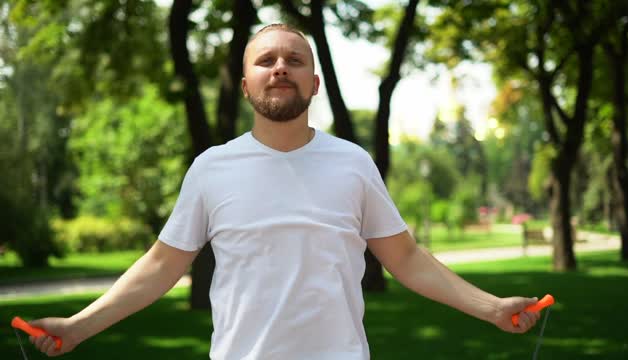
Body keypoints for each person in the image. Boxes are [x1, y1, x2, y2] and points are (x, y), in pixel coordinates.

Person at [28, 24, 540, 359]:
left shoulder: (353, 164)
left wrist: (490, 307)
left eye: (294, 60)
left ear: (314, 83)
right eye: (266, 60)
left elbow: (406, 259)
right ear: (247, 85)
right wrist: (78, 326)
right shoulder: (212, 168)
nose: (280, 68)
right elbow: (161, 266)